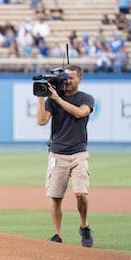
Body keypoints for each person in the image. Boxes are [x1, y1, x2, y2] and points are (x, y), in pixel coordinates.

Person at [35, 65, 95, 247]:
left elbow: (80, 113)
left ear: (80, 79)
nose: (67, 81)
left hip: (79, 153)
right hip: (57, 153)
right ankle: (57, 234)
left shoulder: (85, 98)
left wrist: (57, 99)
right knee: (55, 197)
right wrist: (41, 97)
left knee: (81, 194)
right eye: (64, 78)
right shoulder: (52, 99)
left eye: (70, 78)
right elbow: (41, 121)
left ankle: (84, 225)